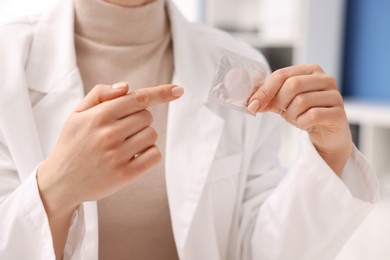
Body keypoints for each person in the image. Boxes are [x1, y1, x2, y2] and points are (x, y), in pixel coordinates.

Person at [0, 0, 379, 259]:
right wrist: (55, 189)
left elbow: (256, 250)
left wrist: (331, 156)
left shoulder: (238, 68)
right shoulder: (7, 61)